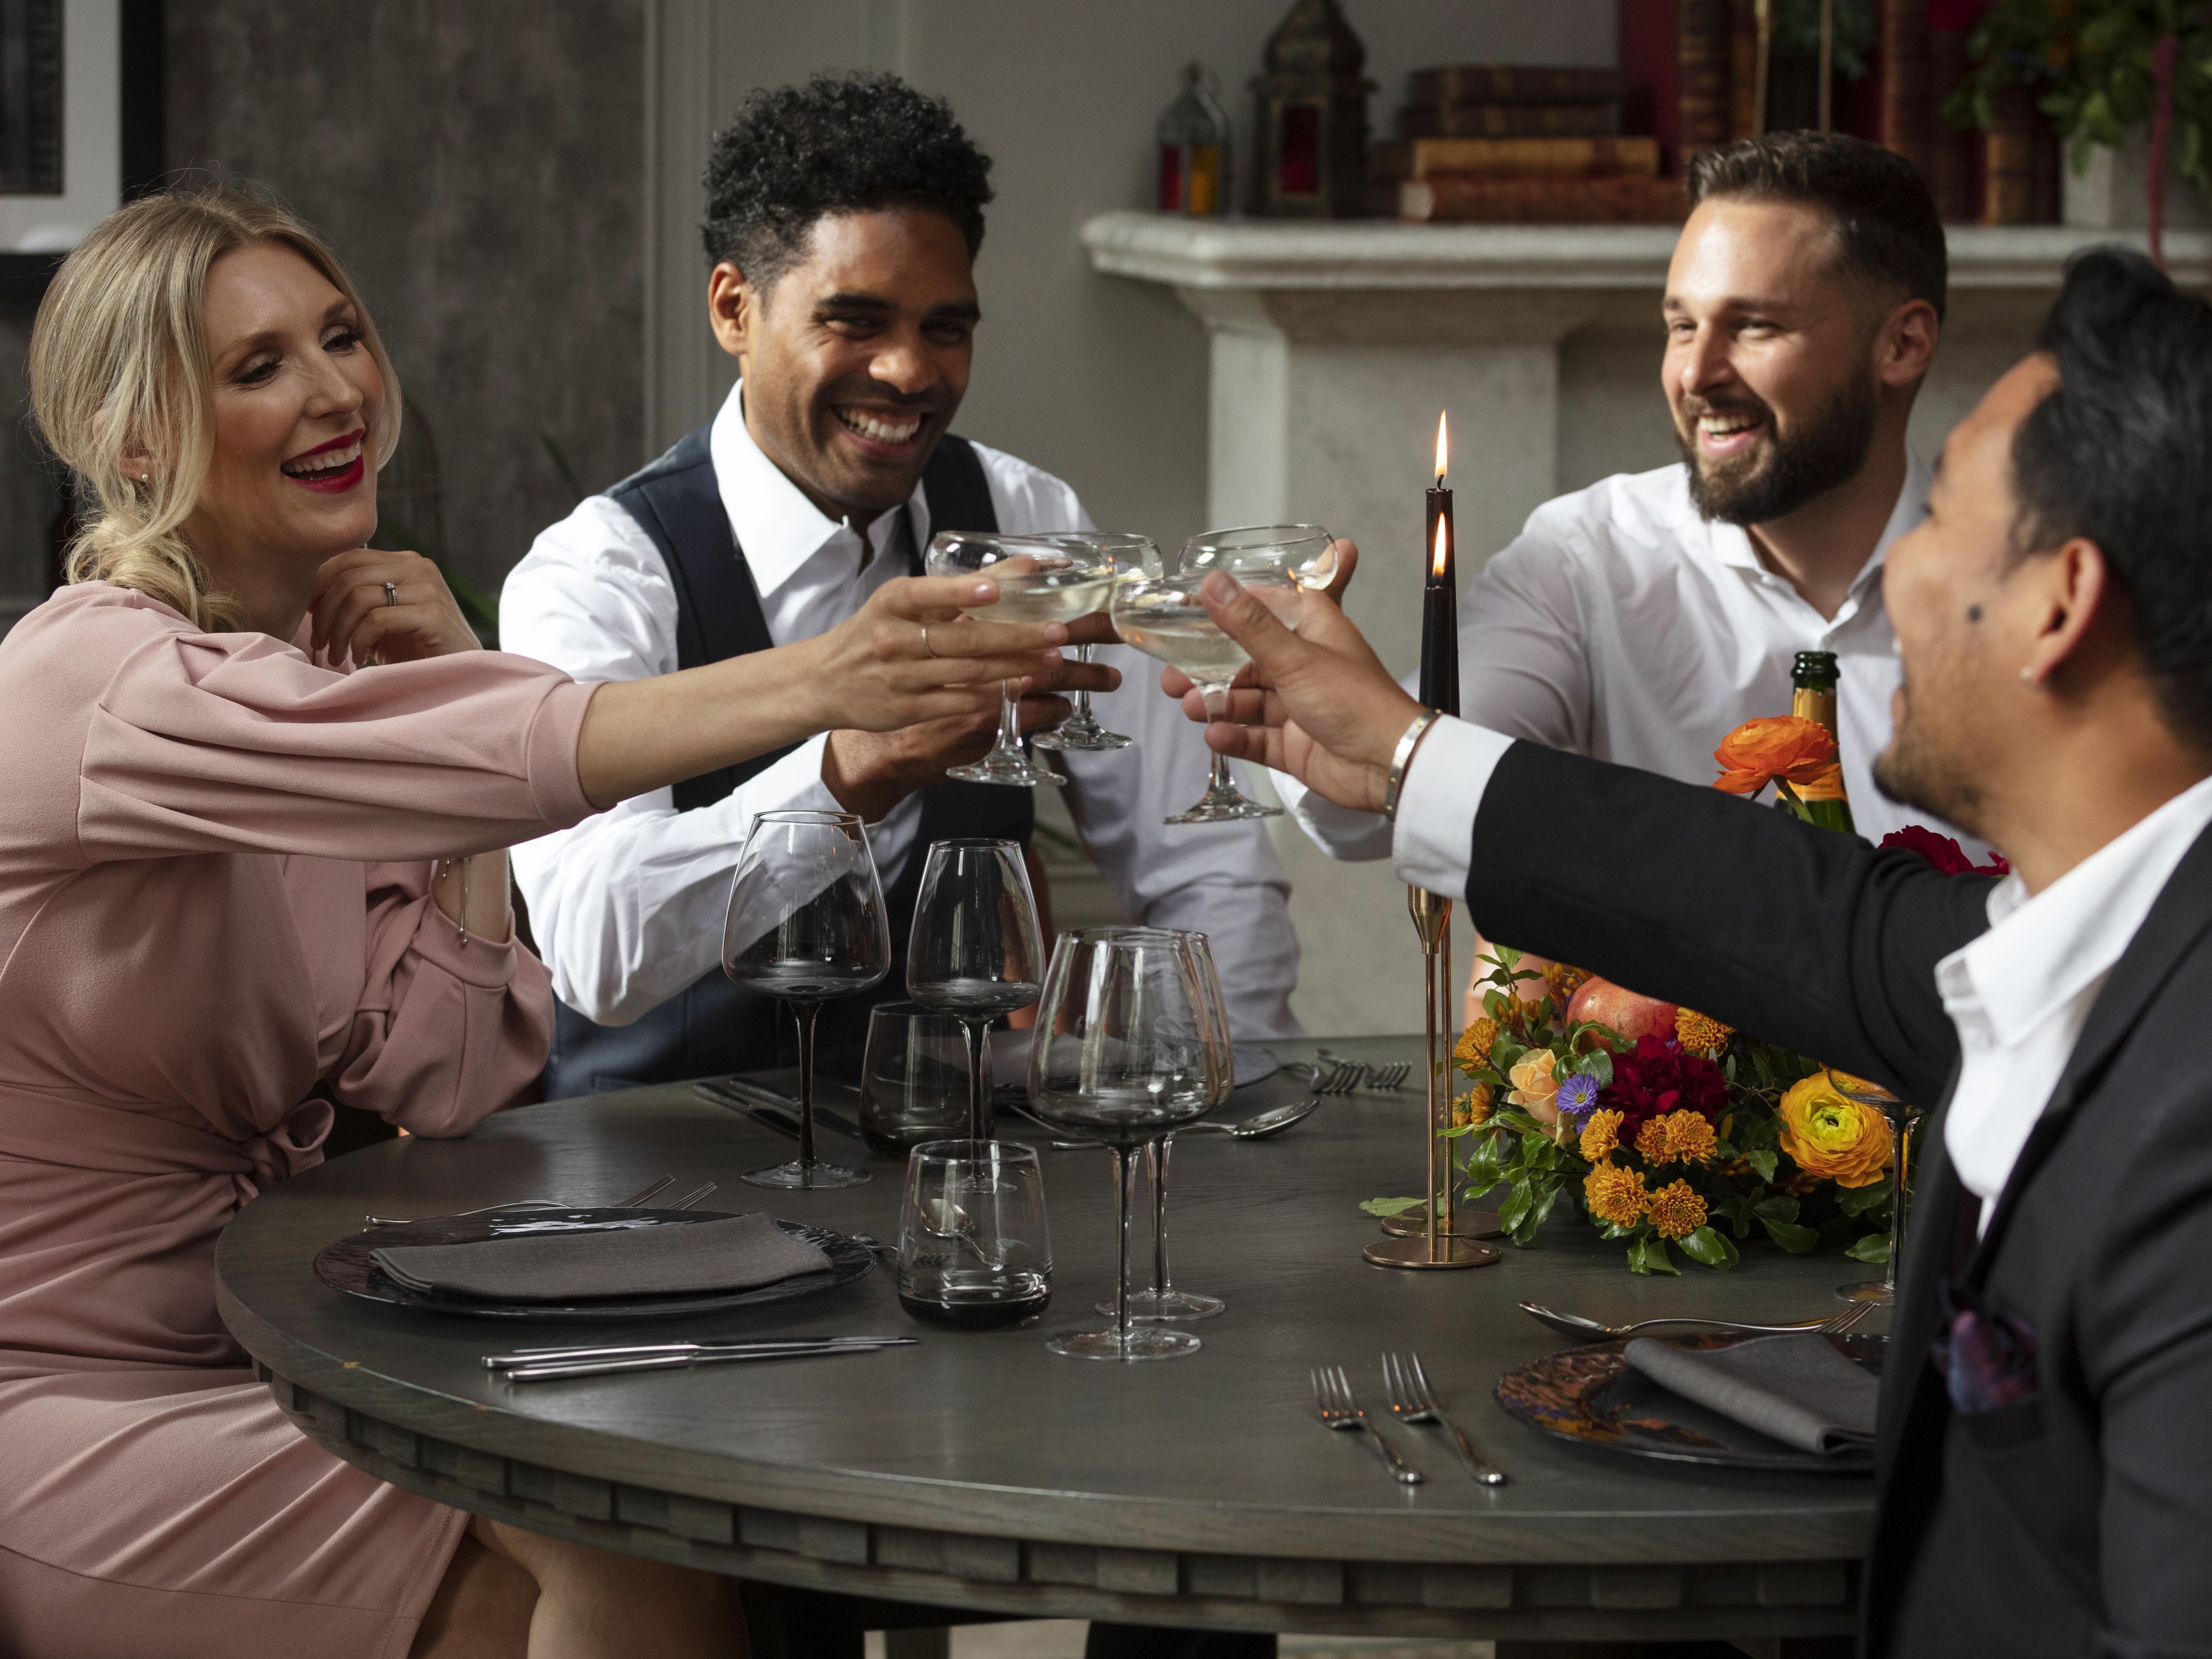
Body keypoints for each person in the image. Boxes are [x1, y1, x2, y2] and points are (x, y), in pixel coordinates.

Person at [0, 184, 1078, 1659]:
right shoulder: (98, 684)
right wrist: (831, 679)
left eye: (340, 338)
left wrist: (461, 750)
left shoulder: (336, 675)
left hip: (295, 1350)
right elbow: (501, 748)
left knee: (642, 1515)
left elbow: (459, 1070)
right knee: (626, 1570)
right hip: (72, 1406)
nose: (335, 394)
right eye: (258, 367)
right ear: (137, 442)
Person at [1171, 247, 2212, 1657]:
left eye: (1945, 512)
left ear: (2057, 601)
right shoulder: (2105, 938)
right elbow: (1799, 912)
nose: (1893, 567)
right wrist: (1406, 756)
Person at [502, 71, 1298, 1102]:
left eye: (946, 329)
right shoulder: (603, 572)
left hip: (952, 1168)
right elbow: (595, 956)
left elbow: (1203, 849)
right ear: (735, 308)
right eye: (857, 321)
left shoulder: (1021, 516)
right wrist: (855, 769)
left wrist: (1227, 1090)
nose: (911, 373)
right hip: (658, 1185)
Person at [1277, 131, 1976, 1012]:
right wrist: (1325, 714)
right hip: (1663, 1138)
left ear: (1903, 345)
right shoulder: (1590, 558)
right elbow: (1373, 798)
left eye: (1753, 326)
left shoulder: (2016, 581)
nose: (1696, 373)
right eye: (1681, 326)